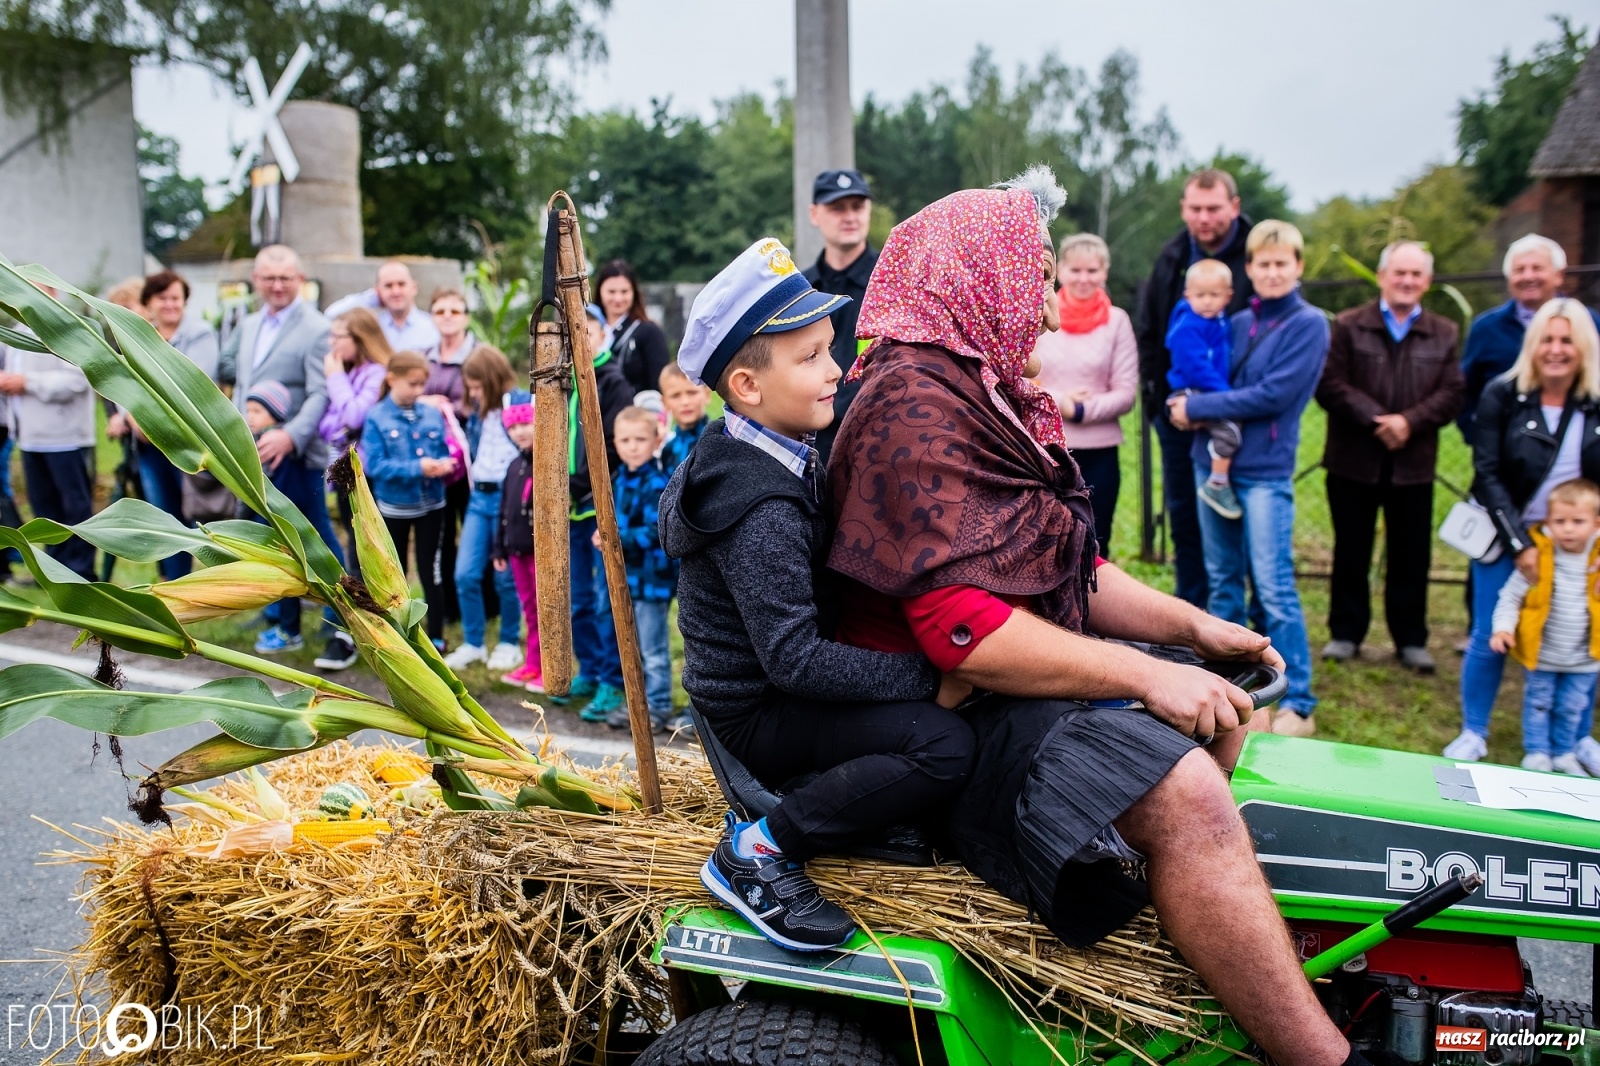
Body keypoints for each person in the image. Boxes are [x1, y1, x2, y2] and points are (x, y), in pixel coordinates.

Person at [826, 171, 1376, 1066]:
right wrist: (1152, 670)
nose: (1046, 310)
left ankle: (1205, 965)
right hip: (929, 725)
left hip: (988, 690)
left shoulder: (973, 389)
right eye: (1033, 279)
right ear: (977, 277)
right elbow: (964, 630)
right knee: (1187, 790)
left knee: (1219, 720)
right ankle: (1330, 1059)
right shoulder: (911, 405)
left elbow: (1066, 567)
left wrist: (1193, 629)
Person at [660, 236, 973, 952]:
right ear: (746, 386)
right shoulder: (759, 506)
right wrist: (932, 677)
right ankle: (761, 851)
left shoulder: (766, 443)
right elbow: (794, 661)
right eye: (811, 358)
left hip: (776, 689)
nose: (836, 370)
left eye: (829, 348)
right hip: (756, 714)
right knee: (943, 746)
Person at [1165, 220, 1326, 735]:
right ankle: (1232, 688)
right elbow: (1196, 366)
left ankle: (1297, 698)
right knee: (1223, 580)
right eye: (1262, 262)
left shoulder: (1308, 325)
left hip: (1264, 471)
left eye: (1282, 262)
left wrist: (1198, 406)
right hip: (1210, 460)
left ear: (1298, 267)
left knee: (1273, 583)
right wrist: (1182, 403)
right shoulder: (1235, 322)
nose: (1272, 271)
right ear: (1249, 269)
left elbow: (1274, 395)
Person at [1450, 299, 1600, 769]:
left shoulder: (1595, 400)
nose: (1556, 350)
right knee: (1490, 632)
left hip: (1582, 538)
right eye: (1548, 340)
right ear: (1534, 345)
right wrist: (1521, 544)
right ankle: (1474, 731)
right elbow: (1488, 470)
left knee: (1586, 633)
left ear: (1583, 347)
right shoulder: (1503, 393)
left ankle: (1577, 737)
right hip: (1506, 530)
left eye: (1567, 340)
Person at [1315, 241, 1464, 674]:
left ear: (1427, 282)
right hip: (1353, 460)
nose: (1407, 281)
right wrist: (1376, 419)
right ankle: (1346, 633)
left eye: (1416, 274)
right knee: (1351, 550)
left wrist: (1409, 422)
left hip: (1413, 465)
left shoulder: (1444, 332)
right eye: (1399, 272)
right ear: (1381, 276)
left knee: (1411, 554)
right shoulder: (1348, 325)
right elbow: (1330, 384)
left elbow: (1452, 392)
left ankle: (1411, 639)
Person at [1136, 169, 1255, 606]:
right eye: (1196, 208)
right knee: (1185, 508)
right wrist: (1156, 401)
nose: (1204, 217)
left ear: (1234, 207)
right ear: (1184, 208)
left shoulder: (1255, 256)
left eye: (1214, 208)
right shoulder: (1171, 258)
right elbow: (1150, 332)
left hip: (1238, 405)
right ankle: (1191, 607)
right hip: (1179, 408)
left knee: (1236, 506)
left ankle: (1243, 608)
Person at [220, 244, 346, 656]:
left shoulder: (316, 327)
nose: (277, 285)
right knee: (269, 537)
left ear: (300, 280)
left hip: (296, 453)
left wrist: (290, 434)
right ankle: (279, 614)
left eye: (285, 278)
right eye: (269, 278)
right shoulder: (251, 323)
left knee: (315, 540)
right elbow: (242, 384)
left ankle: (344, 620)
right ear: (256, 281)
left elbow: (318, 393)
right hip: (255, 451)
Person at [106, 270, 219, 581]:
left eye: (176, 298)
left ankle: (196, 581)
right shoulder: (135, 336)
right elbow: (120, 381)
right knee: (162, 516)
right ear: (148, 303)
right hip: (148, 447)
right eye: (162, 298)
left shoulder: (200, 334)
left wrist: (145, 416)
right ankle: (173, 581)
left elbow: (191, 386)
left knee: (190, 515)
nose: (170, 305)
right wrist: (131, 415)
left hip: (184, 445)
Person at [1031, 233, 1137, 552]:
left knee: (1094, 542)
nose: (1083, 278)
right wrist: (1059, 402)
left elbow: (1126, 392)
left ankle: (1092, 604)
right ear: (1060, 270)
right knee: (1046, 542)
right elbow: (1018, 374)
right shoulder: (1040, 314)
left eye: (1092, 271)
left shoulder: (1117, 322)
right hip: (1047, 448)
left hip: (1100, 452)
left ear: (1104, 272)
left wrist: (1081, 411)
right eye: (1075, 270)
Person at [1490, 478, 1600, 775]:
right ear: (1547, 521)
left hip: (1585, 658)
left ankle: (1565, 752)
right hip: (1543, 655)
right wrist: (1503, 628)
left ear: (1595, 523)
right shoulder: (1537, 560)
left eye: (1577, 521)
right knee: (1539, 702)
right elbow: (1510, 597)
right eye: (1559, 521)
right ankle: (1537, 752)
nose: (1568, 529)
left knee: (1572, 706)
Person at [560, 304, 634, 722]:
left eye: (587, 332)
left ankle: (612, 678)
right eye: (573, 334)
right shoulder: (560, 382)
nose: (581, 341)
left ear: (603, 335)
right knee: (578, 599)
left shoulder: (612, 382)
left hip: (596, 505)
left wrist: (579, 484)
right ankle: (588, 668)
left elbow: (611, 447)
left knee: (607, 599)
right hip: (567, 510)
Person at [1458, 234, 1600, 442]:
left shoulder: (1590, 323)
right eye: (1519, 270)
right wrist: (1479, 436)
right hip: (1504, 449)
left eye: (1537, 268)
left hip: (1578, 447)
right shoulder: (1485, 329)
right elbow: (1465, 391)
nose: (1528, 276)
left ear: (1559, 275)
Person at [359, 351, 456, 650]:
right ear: (392, 379)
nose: (418, 391)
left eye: (421, 385)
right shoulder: (377, 417)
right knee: (395, 572)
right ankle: (396, 634)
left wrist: (443, 462)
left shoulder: (430, 413)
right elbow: (375, 466)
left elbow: (443, 448)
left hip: (432, 506)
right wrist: (418, 468)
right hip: (395, 509)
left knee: (432, 571)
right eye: (412, 384)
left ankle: (437, 637)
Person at [0, 283, 96, 579]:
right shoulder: (18, 332)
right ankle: (55, 573)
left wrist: (26, 382)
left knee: (74, 510)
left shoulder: (69, 330)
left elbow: (78, 379)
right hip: (30, 438)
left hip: (65, 438)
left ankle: (81, 572)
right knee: (45, 510)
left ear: (53, 295)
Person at [443, 346, 527, 673]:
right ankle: (473, 643)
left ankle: (508, 642)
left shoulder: (517, 403)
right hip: (479, 497)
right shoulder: (477, 413)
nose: (473, 393)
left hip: (508, 499)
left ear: (491, 379)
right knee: (465, 573)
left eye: (478, 386)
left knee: (505, 576)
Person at [320, 308, 395, 636]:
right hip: (346, 469)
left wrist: (334, 379)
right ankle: (358, 619)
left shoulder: (376, 373)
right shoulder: (351, 374)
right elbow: (327, 427)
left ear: (359, 338)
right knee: (353, 544)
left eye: (338, 336)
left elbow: (352, 417)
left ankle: (376, 616)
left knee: (367, 544)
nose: (332, 344)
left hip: (368, 476)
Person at [605, 406, 678, 732]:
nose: (633, 446)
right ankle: (638, 700)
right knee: (631, 643)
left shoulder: (655, 482)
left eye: (640, 439)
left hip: (652, 578)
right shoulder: (620, 478)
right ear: (615, 443)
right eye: (625, 440)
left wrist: (616, 537)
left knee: (653, 646)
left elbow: (658, 531)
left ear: (655, 440)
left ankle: (659, 704)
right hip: (628, 576)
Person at [802, 168, 878, 462]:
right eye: (837, 208)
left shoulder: (892, 283)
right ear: (814, 214)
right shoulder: (799, 290)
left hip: (875, 440)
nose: (850, 216)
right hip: (811, 443)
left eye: (857, 206)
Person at [1164, 258, 1243, 520]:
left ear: (1228, 296)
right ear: (1188, 295)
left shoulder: (1219, 321)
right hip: (1191, 390)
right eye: (1200, 295)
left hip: (1206, 389)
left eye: (1214, 295)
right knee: (1230, 430)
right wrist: (1225, 393)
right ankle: (1217, 483)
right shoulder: (1188, 326)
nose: (1207, 301)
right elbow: (1196, 366)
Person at [423, 286, 477, 630]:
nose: (447, 317)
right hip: (436, 463)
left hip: (468, 461)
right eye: (440, 311)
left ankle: (482, 603)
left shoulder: (476, 356)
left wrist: (442, 405)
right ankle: (451, 605)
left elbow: (479, 403)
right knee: (442, 537)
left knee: (471, 531)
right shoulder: (424, 357)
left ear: (466, 317)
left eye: (454, 311)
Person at [491, 398, 543, 692]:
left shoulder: (545, 462)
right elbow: (505, 510)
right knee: (529, 609)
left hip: (539, 551)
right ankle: (533, 663)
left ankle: (549, 667)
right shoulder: (514, 466)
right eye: (513, 426)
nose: (519, 431)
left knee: (544, 608)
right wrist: (499, 547)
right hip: (516, 551)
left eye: (525, 423)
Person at [325, 261, 441, 352]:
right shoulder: (372, 326)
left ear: (414, 287)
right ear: (377, 290)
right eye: (388, 286)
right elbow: (331, 315)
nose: (396, 292)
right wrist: (372, 298)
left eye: (401, 284)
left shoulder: (433, 325)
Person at [595, 260, 671, 398]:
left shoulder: (649, 331)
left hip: (636, 414)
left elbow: (660, 385)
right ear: (600, 291)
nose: (618, 298)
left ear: (634, 293)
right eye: (611, 291)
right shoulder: (588, 332)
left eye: (624, 291)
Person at [658, 363, 711, 475]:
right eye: (675, 395)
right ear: (664, 403)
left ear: (706, 395)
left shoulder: (719, 440)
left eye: (692, 393)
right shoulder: (668, 451)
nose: (685, 402)